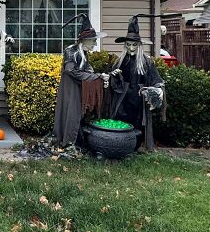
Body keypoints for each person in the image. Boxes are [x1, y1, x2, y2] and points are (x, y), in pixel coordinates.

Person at [109, 15, 165, 150]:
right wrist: (114, 75)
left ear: (139, 45)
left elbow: (157, 80)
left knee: (138, 123)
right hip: (123, 99)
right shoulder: (120, 61)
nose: (131, 48)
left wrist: (157, 89)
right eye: (128, 45)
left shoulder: (147, 62)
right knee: (121, 122)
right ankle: (121, 146)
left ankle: (134, 147)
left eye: (134, 45)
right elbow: (113, 83)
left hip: (139, 99)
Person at [53, 14, 109, 147]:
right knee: (71, 113)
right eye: (93, 41)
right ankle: (68, 141)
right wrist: (96, 76)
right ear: (84, 40)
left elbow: (87, 68)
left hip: (78, 87)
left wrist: (98, 76)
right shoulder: (71, 51)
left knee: (76, 113)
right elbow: (70, 70)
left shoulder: (84, 52)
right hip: (70, 88)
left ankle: (75, 141)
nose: (95, 44)